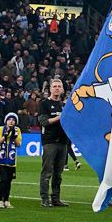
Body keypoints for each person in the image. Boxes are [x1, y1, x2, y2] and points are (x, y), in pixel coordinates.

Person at [37, 77, 69, 208]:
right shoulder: (44, 104)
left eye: (59, 86)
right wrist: (60, 117)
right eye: (54, 86)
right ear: (50, 89)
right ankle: (44, 198)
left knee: (58, 173)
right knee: (47, 171)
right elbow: (44, 122)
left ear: (62, 89)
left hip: (63, 141)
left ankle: (56, 198)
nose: (57, 88)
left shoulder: (65, 106)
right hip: (50, 141)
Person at [0, 112, 21, 209]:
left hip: (11, 160)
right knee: (3, 179)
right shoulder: (1, 129)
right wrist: (5, 136)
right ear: (6, 121)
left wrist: (14, 136)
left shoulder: (17, 130)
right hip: (1, 159)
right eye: (9, 119)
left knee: (9, 181)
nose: (11, 121)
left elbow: (18, 144)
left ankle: (6, 200)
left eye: (13, 120)